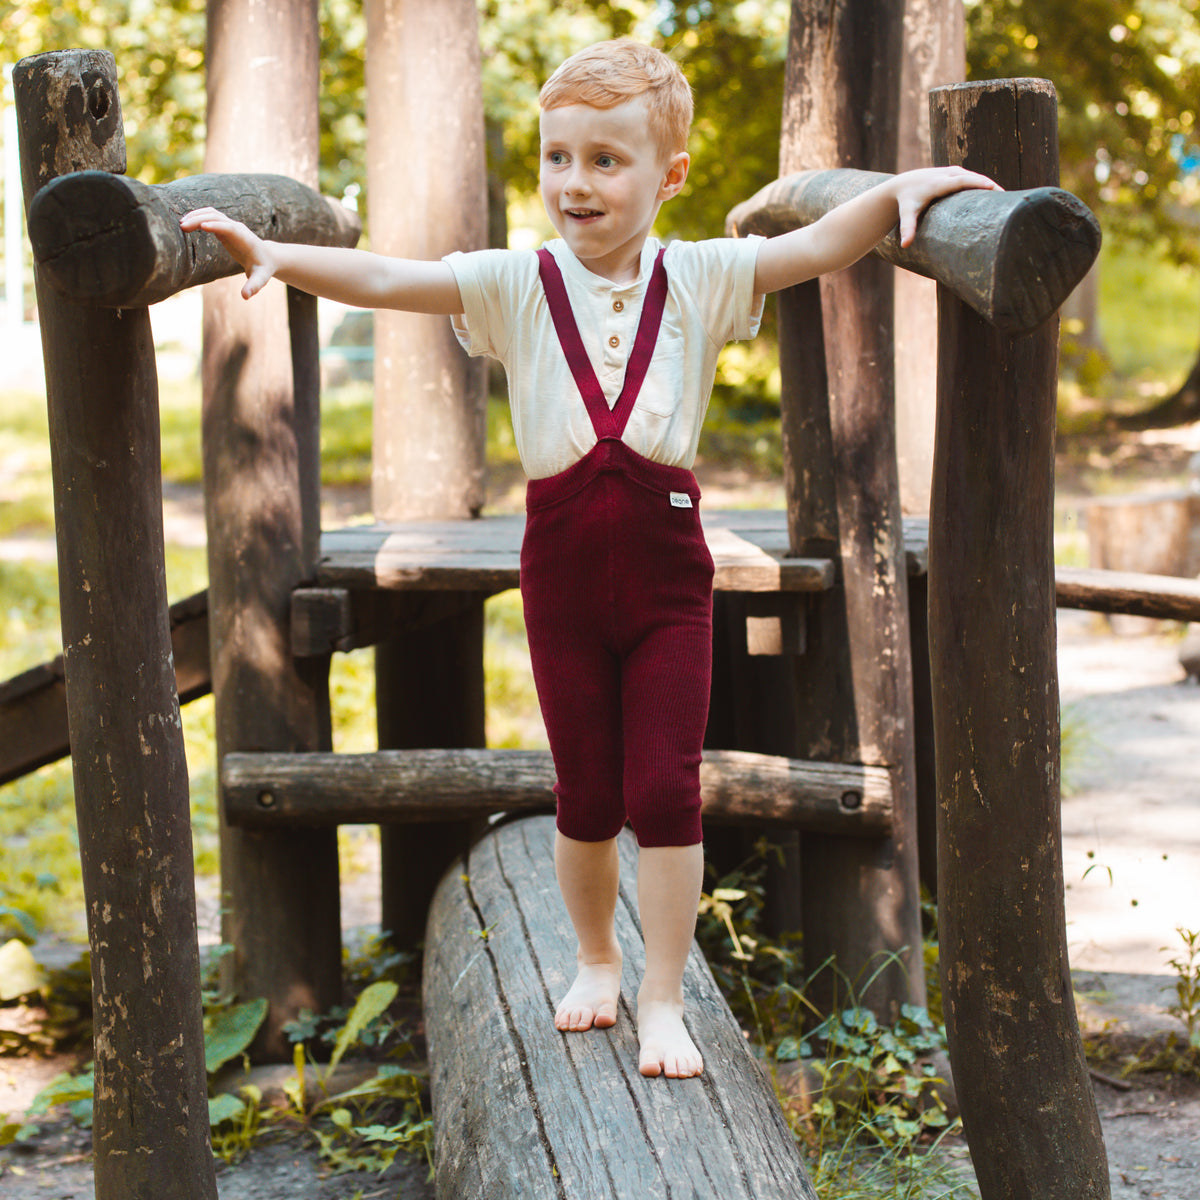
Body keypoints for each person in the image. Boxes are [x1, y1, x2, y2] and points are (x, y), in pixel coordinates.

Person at [181, 37, 999, 1081]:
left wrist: (904, 189)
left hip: (669, 585)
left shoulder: (702, 276)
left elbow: (819, 247)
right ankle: (596, 959)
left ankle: (664, 994)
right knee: (584, 794)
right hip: (560, 578)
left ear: (671, 175)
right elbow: (390, 273)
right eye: (558, 157)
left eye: (606, 161)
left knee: (664, 791)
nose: (576, 183)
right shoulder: (516, 285)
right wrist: (281, 255)